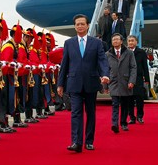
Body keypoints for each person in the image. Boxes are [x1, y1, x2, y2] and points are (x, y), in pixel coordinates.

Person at [57, 14, 109, 152]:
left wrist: (105, 74)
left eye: (82, 24)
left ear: (87, 25)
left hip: (91, 83)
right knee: (75, 113)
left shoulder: (96, 43)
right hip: (73, 83)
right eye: (77, 24)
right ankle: (76, 142)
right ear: (75, 26)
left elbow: (102, 60)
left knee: (91, 113)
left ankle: (89, 141)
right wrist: (60, 84)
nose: (80, 26)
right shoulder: (69, 43)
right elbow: (65, 64)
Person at [106, 33, 136, 132]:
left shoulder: (129, 53)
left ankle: (123, 122)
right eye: (113, 40)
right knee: (115, 103)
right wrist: (105, 85)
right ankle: (114, 124)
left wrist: (132, 81)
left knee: (125, 104)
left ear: (121, 41)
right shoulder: (108, 54)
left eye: (117, 39)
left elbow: (133, 68)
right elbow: (105, 70)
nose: (115, 41)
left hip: (125, 82)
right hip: (113, 81)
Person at [127, 35, 150, 124]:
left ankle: (140, 116)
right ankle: (132, 117)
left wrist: (147, 79)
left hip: (138, 78)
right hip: (127, 79)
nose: (131, 43)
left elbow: (145, 66)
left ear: (136, 42)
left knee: (140, 98)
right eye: (129, 41)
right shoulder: (125, 52)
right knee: (129, 99)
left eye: (132, 41)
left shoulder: (141, 52)